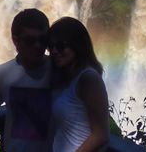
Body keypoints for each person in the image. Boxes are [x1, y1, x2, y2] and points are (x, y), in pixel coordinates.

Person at [0, 8, 52, 152]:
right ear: (15, 40)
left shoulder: (61, 70)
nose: (38, 46)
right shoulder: (3, 72)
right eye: (30, 40)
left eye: (43, 40)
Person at [47, 17, 109, 152]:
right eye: (51, 47)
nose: (54, 51)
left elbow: (101, 135)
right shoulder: (65, 77)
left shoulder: (89, 79)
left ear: (77, 45)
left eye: (61, 46)